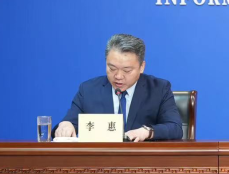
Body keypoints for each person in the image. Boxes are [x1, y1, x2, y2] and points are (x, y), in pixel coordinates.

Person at [53, 34, 183, 142]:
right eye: (112, 68)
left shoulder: (159, 89)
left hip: (142, 161)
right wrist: (66, 125)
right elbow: (68, 123)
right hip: (100, 162)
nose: (118, 76)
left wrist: (147, 132)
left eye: (127, 70)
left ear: (142, 67)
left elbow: (175, 128)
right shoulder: (88, 90)